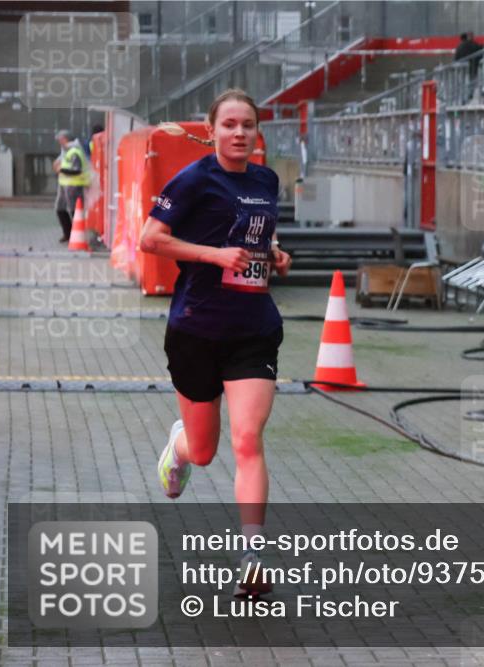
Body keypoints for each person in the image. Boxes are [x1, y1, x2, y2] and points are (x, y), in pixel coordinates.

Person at [139, 88, 293, 597]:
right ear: (212, 131)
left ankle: (252, 558)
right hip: (196, 329)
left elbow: (254, 236)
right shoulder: (192, 179)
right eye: (229, 124)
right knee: (204, 452)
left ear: (257, 132)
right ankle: (177, 449)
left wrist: (273, 252)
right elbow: (150, 238)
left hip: (253, 329)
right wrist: (213, 256)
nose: (239, 133)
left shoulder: (266, 180)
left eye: (248, 124)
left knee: (248, 440)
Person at [53, 130, 91, 243]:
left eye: (60, 139)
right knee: (60, 210)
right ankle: (68, 234)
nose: (59, 142)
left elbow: (76, 170)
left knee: (75, 212)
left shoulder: (74, 151)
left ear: (65, 139)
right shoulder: (67, 151)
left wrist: (61, 170)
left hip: (75, 186)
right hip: (65, 186)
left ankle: (76, 235)